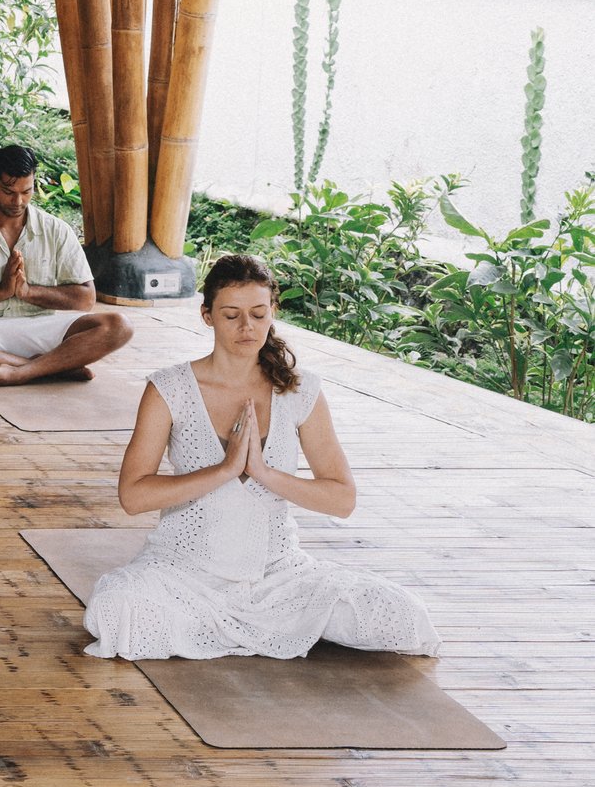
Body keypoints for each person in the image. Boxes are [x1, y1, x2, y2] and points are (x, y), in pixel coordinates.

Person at [84, 253, 439, 661]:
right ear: (206, 316)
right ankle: (254, 630)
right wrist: (225, 470)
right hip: (183, 573)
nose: (246, 327)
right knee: (116, 610)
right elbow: (133, 496)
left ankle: (250, 627)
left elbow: (342, 499)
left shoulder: (299, 390)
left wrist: (262, 472)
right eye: (231, 315)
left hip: (278, 577)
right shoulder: (170, 388)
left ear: (274, 311)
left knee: (402, 616)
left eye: (257, 313)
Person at [0, 144, 130, 385]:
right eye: (8, 191)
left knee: (119, 325)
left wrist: (27, 292)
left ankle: (18, 371)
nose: (18, 201)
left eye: (26, 192)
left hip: (43, 327)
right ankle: (50, 367)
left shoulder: (56, 230)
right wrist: (0, 291)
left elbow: (86, 299)